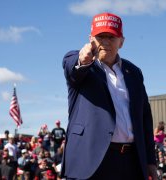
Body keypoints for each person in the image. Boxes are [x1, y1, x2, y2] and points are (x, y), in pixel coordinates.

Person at [61, 12, 157, 179]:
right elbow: (71, 67)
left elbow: (144, 119)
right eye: (100, 37)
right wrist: (82, 60)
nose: (105, 42)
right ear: (91, 39)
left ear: (121, 42)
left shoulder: (134, 72)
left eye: (111, 37)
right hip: (91, 161)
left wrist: (150, 161)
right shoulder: (82, 64)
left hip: (131, 161)